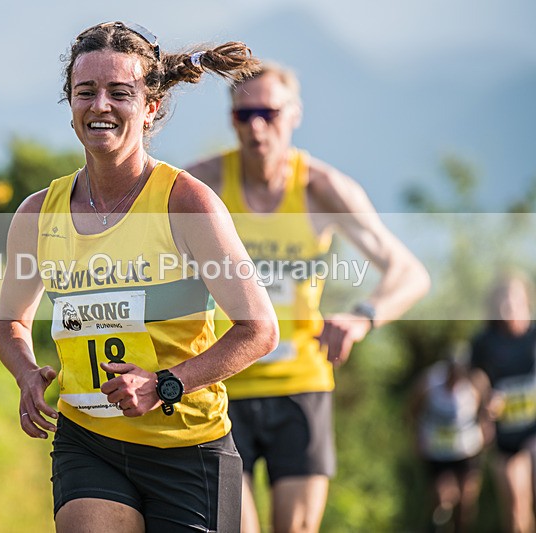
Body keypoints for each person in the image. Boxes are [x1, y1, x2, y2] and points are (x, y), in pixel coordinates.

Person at [0, 22, 280, 533]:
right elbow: (10, 321)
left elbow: (258, 328)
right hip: (88, 442)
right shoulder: (38, 213)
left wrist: (166, 384)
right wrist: (25, 372)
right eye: (86, 92)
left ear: (149, 108)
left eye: (119, 93)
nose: (100, 105)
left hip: (188, 448)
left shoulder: (186, 203)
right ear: (71, 103)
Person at [186, 61, 431, 533]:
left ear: (294, 113)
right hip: (221, 382)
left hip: (301, 386)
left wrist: (362, 318)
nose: (257, 126)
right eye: (244, 115)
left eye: (269, 113)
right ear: (231, 118)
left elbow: (409, 273)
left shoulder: (321, 189)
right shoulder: (203, 187)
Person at [471, 273, 536, 533]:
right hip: (505, 434)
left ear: (526, 300)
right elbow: (475, 377)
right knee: (515, 510)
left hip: (534, 429)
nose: (509, 305)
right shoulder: (484, 341)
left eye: (515, 298)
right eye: (503, 299)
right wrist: (485, 399)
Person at [409, 345, 494, 532]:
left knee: (466, 500)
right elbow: (413, 410)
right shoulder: (429, 382)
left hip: (467, 449)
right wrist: (417, 436)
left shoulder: (476, 382)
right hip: (436, 450)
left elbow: (487, 408)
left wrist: (486, 426)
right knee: (443, 496)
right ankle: (438, 524)